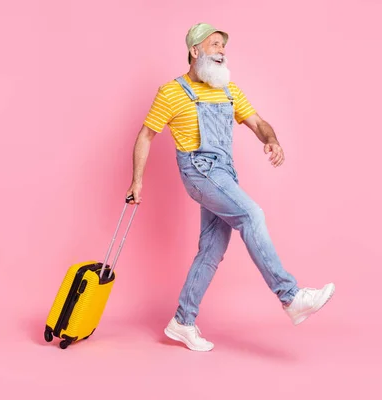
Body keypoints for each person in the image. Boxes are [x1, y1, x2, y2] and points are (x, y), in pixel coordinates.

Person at [126, 23, 335, 352]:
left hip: (224, 174)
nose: (222, 51)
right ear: (195, 51)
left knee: (211, 251)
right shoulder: (172, 92)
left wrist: (272, 140)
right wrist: (137, 180)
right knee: (252, 216)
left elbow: (258, 122)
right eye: (214, 45)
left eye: (224, 46)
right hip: (199, 172)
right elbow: (145, 136)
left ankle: (183, 321)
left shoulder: (228, 90)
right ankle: (291, 297)